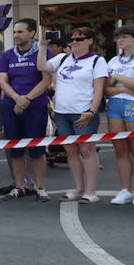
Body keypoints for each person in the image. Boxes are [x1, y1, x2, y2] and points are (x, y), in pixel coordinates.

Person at [40, 26, 107, 203]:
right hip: (62, 112)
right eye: (72, 39)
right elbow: (42, 66)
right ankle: (79, 187)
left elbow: (99, 88)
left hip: (83, 111)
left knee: (87, 149)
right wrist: (42, 46)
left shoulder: (96, 60)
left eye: (79, 39)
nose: (74, 42)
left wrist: (92, 111)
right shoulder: (63, 58)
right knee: (70, 150)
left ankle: (91, 190)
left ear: (90, 41)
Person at [0, 18, 52, 201]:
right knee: (16, 149)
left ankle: (40, 187)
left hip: (35, 105)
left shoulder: (43, 52)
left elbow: (46, 80)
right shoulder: (7, 55)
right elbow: (3, 81)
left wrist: (27, 99)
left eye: (20, 32)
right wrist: (16, 99)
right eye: (14, 32)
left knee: (36, 149)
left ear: (32, 34)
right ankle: (19, 186)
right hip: (11, 106)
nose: (16, 35)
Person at [103, 23, 134, 205]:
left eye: (124, 36)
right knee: (120, 149)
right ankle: (125, 189)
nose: (119, 40)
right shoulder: (113, 61)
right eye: (118, 37)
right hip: (115, 105)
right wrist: (124, 88)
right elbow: (107, 89)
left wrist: (118, 78)